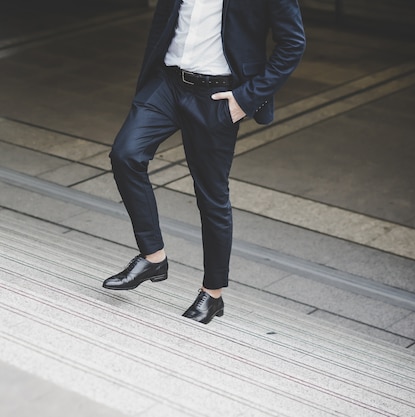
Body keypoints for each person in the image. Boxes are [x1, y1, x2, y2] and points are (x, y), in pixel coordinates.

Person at [102, 0, 306, 324]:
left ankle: (212, 294)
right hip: (167, 84)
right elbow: (163, 20)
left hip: (218, 97)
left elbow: (293, 44)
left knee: (211, 196)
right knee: (125, 154)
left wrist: (246, 99)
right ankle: (153, 256)